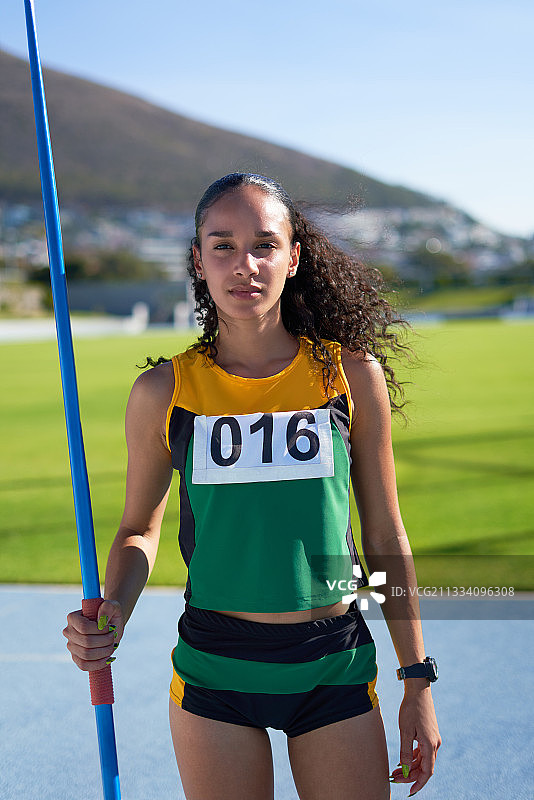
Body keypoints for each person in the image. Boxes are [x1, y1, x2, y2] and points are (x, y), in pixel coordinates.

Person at [63, 172, 441, 799]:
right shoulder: (164, 390)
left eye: (265, 245)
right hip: (215, 669)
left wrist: (417, 680)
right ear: (198, 260)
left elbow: (384, 535)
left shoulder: (349, 375)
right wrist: (113, 612)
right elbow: (137, 529)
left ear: (293, 258)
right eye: (223, 245)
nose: (245, 265)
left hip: (333, 664)